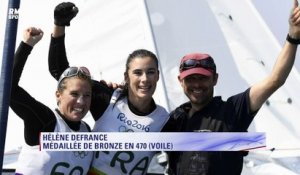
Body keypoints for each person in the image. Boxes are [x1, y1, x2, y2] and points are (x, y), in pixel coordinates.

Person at [161, 0, 300, 174]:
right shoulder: (174, 119)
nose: (196, 84)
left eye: (203, 78)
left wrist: (293, 37)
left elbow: (275, 79)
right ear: (181, 82)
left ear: (215, 79)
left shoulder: (233, 110)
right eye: (190, 79)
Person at [48, 2, 170, 175]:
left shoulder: (164, 119)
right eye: (137, 73)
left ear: (158, 76)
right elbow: (60, 72)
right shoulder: (109, 99)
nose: (144, 79)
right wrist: (59, 25)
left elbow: (195, 145)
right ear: (127, 77)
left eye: (150, 72)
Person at [10, 27, 94, 174]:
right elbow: (8, 90)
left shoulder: (85, 130)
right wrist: (26, 45)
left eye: (87, 95)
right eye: (74, 94)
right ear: (58, 95)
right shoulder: (45, 121)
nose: (81, 102)